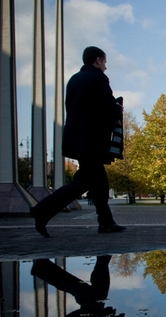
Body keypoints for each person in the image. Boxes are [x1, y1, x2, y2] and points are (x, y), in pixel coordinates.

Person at [30, 46, 126, 237]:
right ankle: (42, 210)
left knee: (99, 182)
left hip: (77, 139)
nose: (105, 67)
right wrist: (117, 107)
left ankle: (105, 222)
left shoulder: (74, 80)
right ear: (97, 60)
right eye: (105, 62)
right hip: (92, 140)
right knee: (83, 183)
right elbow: (106, 107)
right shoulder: (99, 78)